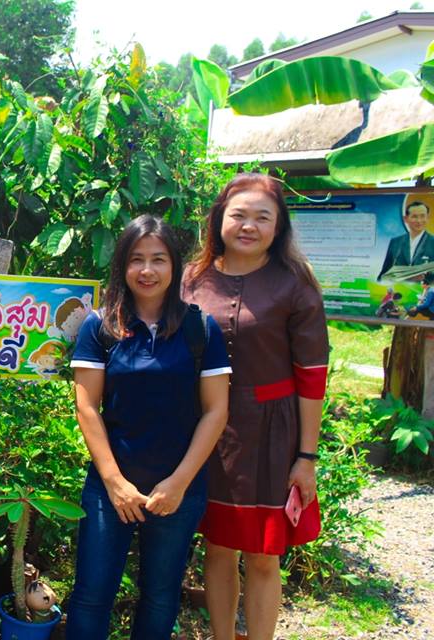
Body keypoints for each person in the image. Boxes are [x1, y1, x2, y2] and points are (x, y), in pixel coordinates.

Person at [66, 214, 231, 639]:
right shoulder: (100, 326)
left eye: (158, 259)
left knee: (160, 596)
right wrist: (114, 482)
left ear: (174, 265)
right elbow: (87, 407)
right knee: (90, 595)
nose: (147, 270)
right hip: (109, 489)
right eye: (136, 259)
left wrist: (179, 482)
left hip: (179, 489)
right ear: (122, 265)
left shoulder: (200, 328)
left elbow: (216, 411)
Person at [182, 173, 329, 640]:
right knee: (218, 546)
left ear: (278, 226)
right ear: (219, 219)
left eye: (262, 217)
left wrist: (306, 458)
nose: (249, 226)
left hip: (271, 433)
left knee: (264, 554)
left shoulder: (295, 284)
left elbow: (312, 375)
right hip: (206, 430)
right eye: (239, 215)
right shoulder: (192, 278)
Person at [378, 200, 434, 280]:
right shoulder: (396, 242)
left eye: (422, 216)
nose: (419, 221)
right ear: (406, 219)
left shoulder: (432, 242)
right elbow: (384, 273)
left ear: (427, 218)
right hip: (398, 287)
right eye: (414, 216)